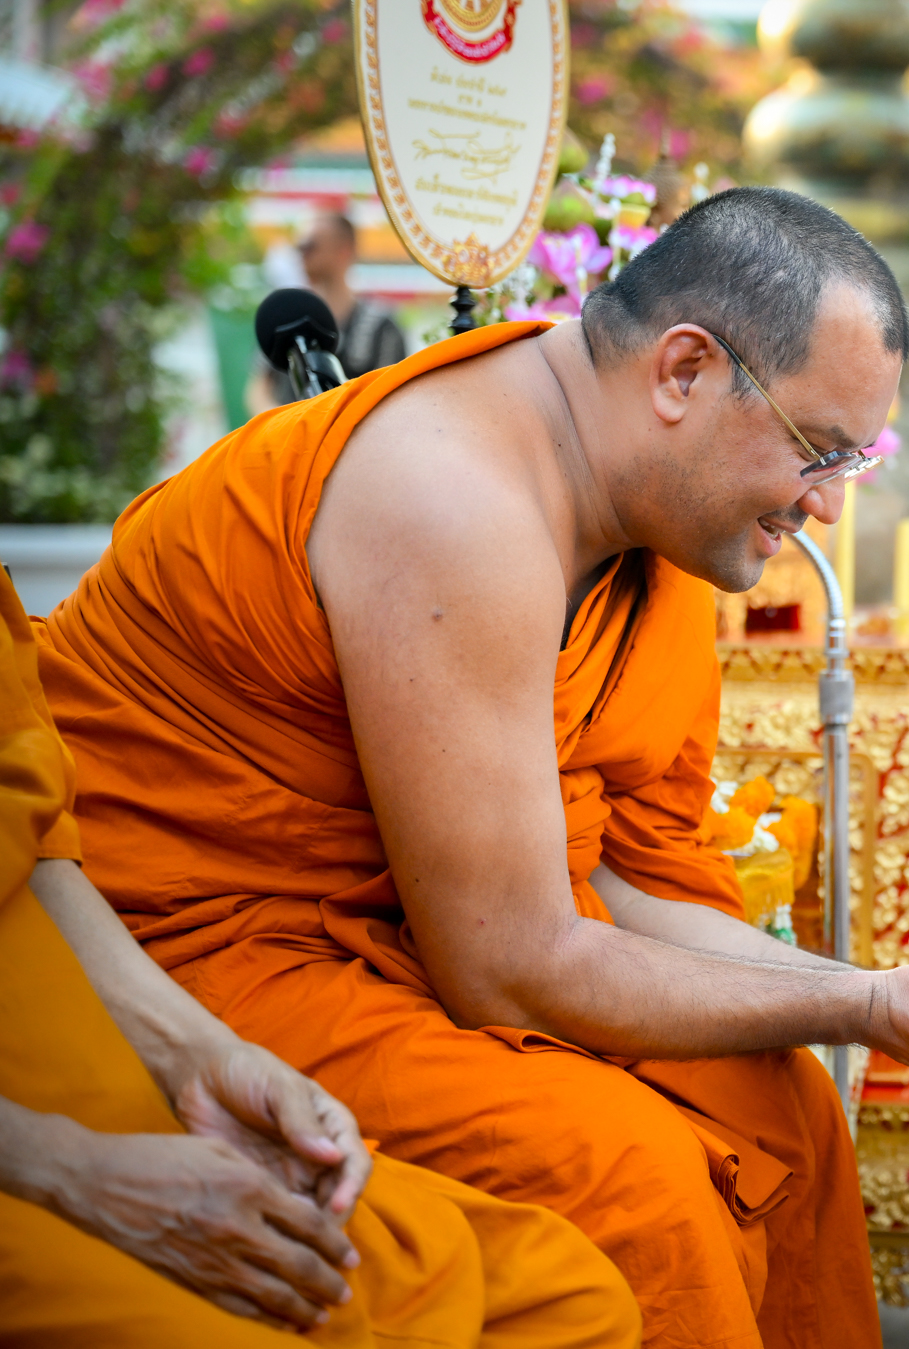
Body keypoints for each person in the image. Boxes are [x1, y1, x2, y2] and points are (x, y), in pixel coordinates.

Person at [35, 187, 909, 1349]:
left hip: (408, 939)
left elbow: (628, 881)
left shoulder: (644, 532)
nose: (825, 505)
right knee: (630, 1176)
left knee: (785, 1102)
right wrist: (863, 1003)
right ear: (683, 371)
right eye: (819, 449)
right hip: (197, 946)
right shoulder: (452, 494)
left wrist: (884, 1001)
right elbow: (509, 964)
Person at [0, 569, 640, 1347]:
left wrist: (199, 1055)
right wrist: (69, 1169)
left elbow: (38, 850)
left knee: (566, 1294)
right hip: (32, 1156)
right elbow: (507, 957)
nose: (824, 501)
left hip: (97, 1053)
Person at [248, 211, 407, 412]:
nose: (301, 252)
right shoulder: (285, 314)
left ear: (343, 250)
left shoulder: (382, 325)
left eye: (309, 245)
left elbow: (391, 398)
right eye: (298, 247)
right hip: (289, 437)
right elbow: (259, 387)